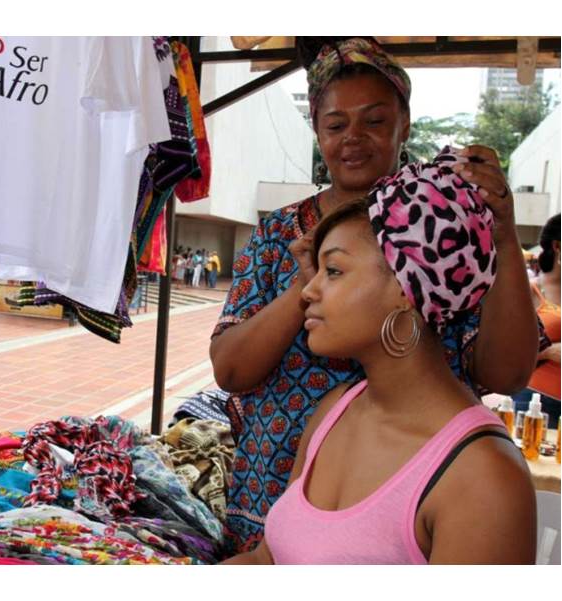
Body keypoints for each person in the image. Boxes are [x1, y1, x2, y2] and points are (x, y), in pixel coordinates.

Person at [210, 37, 542, 553]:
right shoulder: (280, 236)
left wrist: (502, 230)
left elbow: (505, 373)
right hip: (278, 504)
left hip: (412, 496)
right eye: (336, 124)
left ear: (404, 124)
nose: (353, 139)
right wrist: (314, 280)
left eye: (375, 121)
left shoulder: (443, 237)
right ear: (317, 131)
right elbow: (231, 371)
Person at [512, 213, 560, 428]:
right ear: (557, 246)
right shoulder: (530, 291)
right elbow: (505, 350)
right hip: (537, 401)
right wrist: (549, 351)